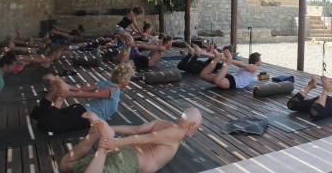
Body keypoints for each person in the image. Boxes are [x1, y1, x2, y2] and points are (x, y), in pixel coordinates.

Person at [59, 108, 203, 173]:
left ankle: (94, 135)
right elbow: (148, 138)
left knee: (65, 166)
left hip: (121, 152)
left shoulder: (161, 122)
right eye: (198, 127)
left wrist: (110, 128)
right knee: (104, 146)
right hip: (129, 160)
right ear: (192, 125)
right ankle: (103, 140)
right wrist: (112, 142)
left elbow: (135, 129)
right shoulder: (177, 133)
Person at [30, 62, 134, 133]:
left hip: (79, 109)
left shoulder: (104, 83)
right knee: (46, 125)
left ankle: (53, 91)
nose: (129, 81)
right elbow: (92, 94)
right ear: (124, 80)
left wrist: (68, 87)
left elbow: (84, 88)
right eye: (129, 79)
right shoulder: (114, 90)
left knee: (39, 116)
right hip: (84, 116)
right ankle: (58, 94)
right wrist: (68, 93)